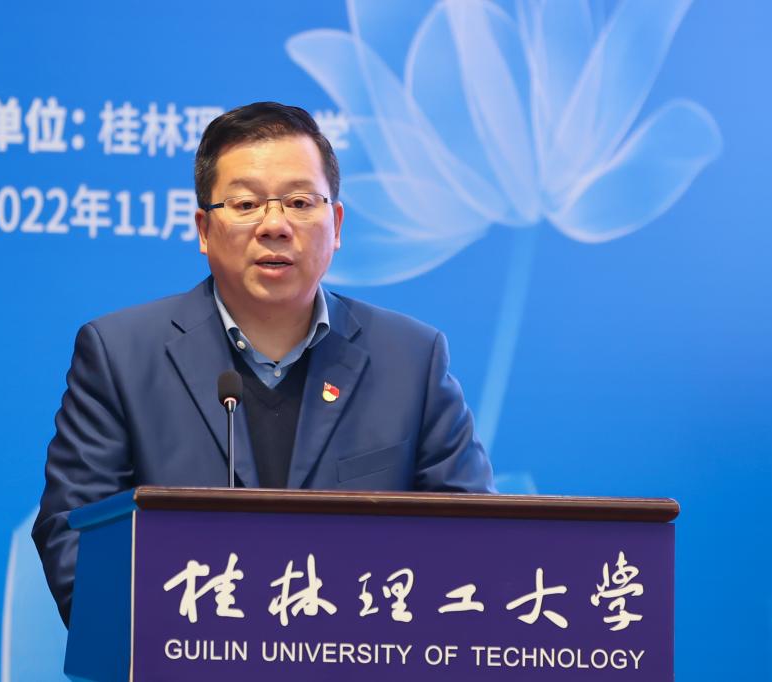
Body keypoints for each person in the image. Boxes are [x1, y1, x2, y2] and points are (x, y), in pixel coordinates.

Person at [33, 102, 494, 626]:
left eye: (299, 202)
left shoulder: (411, 360)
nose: (275, 225)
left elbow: (472, 541)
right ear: (204, 229)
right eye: (246, 203)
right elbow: (76, 537)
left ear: (336, 224)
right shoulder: (120, 355)